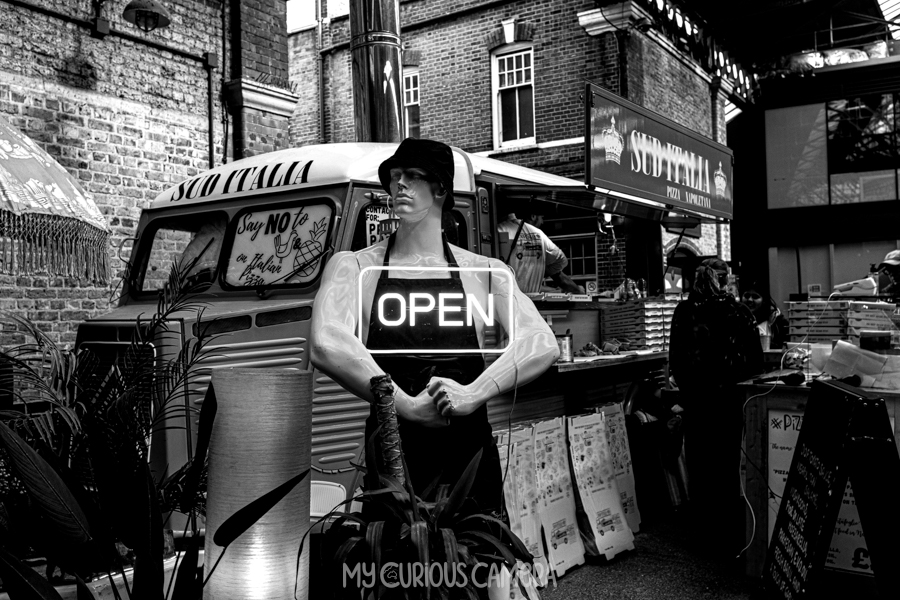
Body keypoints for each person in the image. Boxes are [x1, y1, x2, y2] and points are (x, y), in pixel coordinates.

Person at [310, 138, 559, 519]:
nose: (400, 186)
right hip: (394, 456)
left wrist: (474, 392)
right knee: (392, 567)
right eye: (395, 177)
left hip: (468, 456)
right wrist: (406, 406)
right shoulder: (355, 267)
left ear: (441, 188)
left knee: (479, 563)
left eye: (413, 176)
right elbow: (326, 341)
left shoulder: (485, 271)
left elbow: (541, 342)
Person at [668, 258, 763, 556]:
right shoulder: (740, 312)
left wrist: (687, 390)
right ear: (725, 281)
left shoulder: (684, 311)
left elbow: (676, 361)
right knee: (725, 461)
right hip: (729, 401)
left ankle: (702, 530)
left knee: (699, 461)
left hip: (697, 401)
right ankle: (727, 529)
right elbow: (756, 362)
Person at [497, 204, 584, 294]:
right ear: (533, 216)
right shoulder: (539, 234)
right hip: (531, 303)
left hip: (507, 299)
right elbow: (562, 261)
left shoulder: (497, 230)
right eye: (541, 218)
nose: (542, 222)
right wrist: (544, 271)